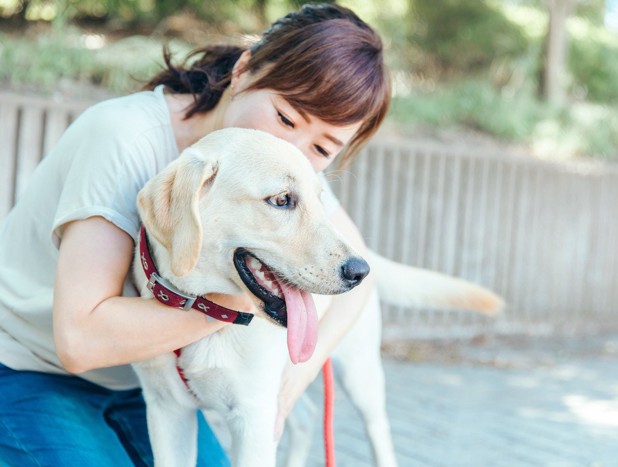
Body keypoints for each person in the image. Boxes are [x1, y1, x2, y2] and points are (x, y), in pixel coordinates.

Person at [0, 3, 390, 465]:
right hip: (28, 367)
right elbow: (80, 343)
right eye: (285, 118)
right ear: (244, 70)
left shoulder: (285, 172)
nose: (292, 150)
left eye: (322, 148)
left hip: (138, 381)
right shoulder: (124, 140)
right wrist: (237, 304)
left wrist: (292, 376)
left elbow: (352, 272)